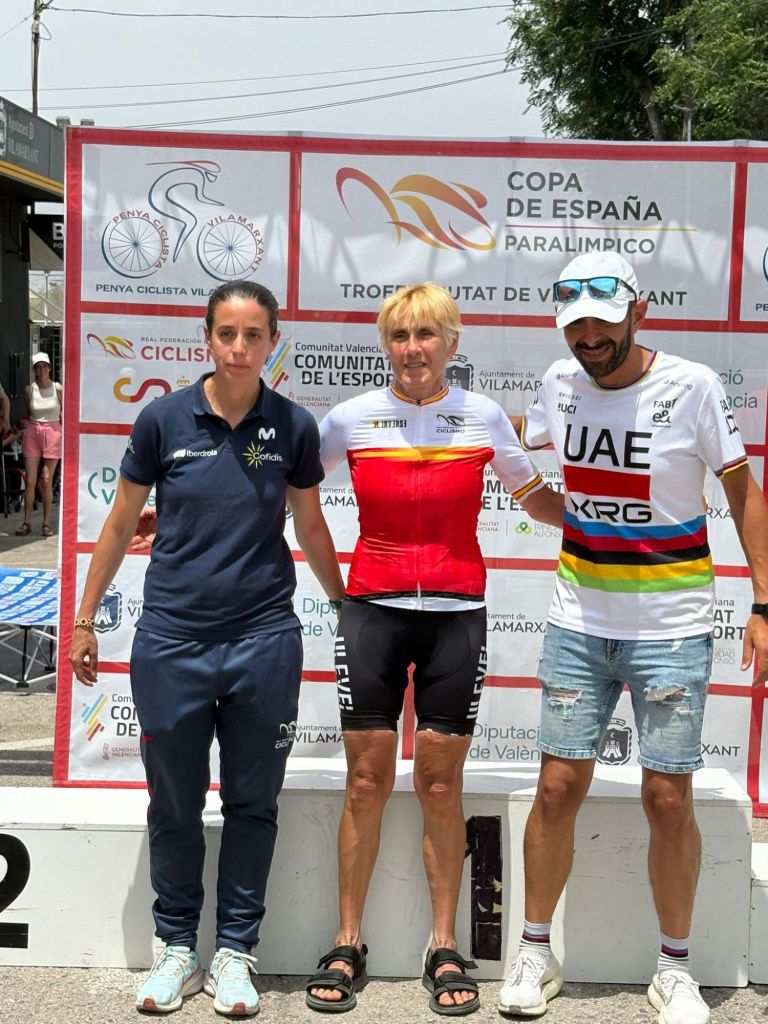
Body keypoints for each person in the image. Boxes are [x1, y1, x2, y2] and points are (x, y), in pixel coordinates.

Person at [498, 252, 768, 1024]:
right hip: (578, 622)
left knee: (667, 798)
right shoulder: (559, 382)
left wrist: (765, 602)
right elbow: (523, 440)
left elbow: (744, 494)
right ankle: (535, 951)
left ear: (638, 314)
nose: (589, 338)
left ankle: (674, 969)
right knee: (556, 789)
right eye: (575, 325)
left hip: (672, 630)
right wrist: (471, 430)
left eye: (604, 324)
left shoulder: (693, 386)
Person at [68, 280, 346, 1018]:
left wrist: (343, 605)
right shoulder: (163, 419)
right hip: (172, 643)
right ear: (208, 338)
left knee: (253, 803)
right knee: (174, 803)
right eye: (227, 333)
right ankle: (176, 949)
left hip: (263, 641)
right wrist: (85, 619)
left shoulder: (293, 426)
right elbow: (119, 523)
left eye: (254, 335)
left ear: (273, 342)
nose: (239, 348)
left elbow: (311, 527)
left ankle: (234, 953)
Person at [306, 283, 563, 1016]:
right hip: (372, 612)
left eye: (426, 335)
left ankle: (443, 945)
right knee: (364, 782)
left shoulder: (482, 416)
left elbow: (534, 497)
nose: (412, 348)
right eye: (400, 335)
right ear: (385, 344)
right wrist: (182, 514)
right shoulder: (350, 418)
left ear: (452, 343)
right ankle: (347, 941)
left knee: (442, 785)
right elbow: (289, 492)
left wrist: (615, 521)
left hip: (456, 617)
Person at [15, 352, 62, 537]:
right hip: (34, 431)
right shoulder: (30, 390)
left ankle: (46, 524)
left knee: (47, 479)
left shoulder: (58, 388)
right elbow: (29, 411)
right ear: (34, 370)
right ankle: (26, 522)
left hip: (53, 431)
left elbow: (65, 411)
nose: (41, 370)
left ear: (49, 368)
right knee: (30, 481)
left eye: (44, 366)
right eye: (38, 367)